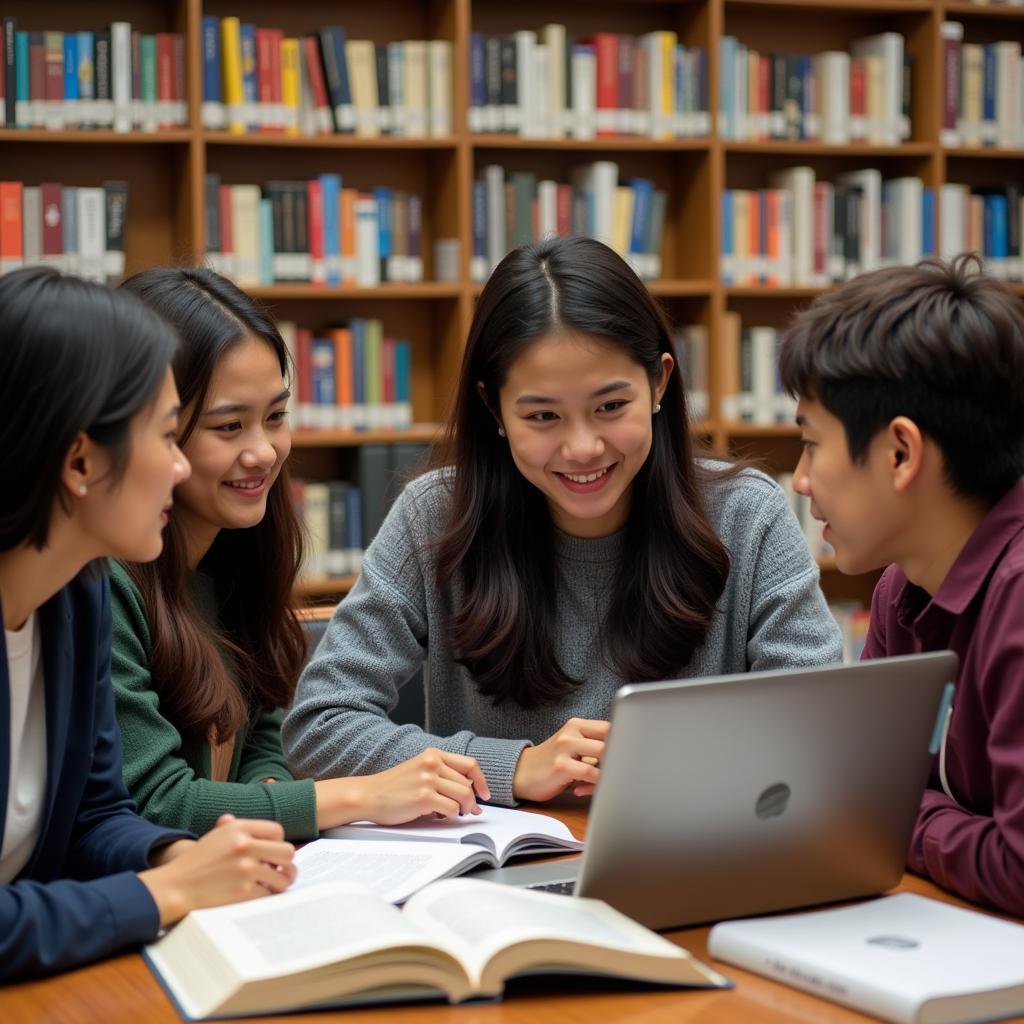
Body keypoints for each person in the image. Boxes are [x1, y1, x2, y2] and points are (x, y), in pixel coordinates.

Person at [283, 236, 843, 807]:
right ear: (493, 408)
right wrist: (511, 766)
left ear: (659, 383)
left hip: (696, 859)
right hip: (504, 877)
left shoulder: (748, 515)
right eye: (543, 415)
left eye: (610, 407)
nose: (582, 447)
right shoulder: (434, 518)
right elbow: (322, 723)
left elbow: (822, 727)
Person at [111, 267, 488, 842]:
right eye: (229, 426)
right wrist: (361, 794)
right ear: (152, 427)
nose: (263, 451)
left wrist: (268, 801)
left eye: (277, 417)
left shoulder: (234, 556)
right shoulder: (106, 582)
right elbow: (153, 803)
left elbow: (267, 735)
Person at [0, 268, 296, 982]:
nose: (177, 468)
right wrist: (163, 889)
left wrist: (176, 857)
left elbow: (98, 816)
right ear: (79, 460)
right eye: (170, 438)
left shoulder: (79, 596)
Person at [779, 254, 1024, 916]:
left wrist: (904, 814)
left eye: (810, 444)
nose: (801, 481)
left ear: (900, 453)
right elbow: (866, 792)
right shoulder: (901, 586)